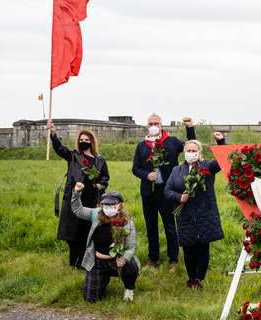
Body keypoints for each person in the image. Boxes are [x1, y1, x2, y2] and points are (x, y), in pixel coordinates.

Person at [132, 114, 196, 271]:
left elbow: (191, 146)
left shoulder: (171, 141)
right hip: (148, 192)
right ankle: (153, 258)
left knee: (170, 226)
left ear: (161, 126)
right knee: (151, 227)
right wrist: (147, 175)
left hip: (167, 191)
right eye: (150, 123)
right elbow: (135, 168)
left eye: (156, 123)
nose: (153, 125)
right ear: (147, 126)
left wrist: (190, 128)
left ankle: (173, 260)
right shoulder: (141, 146)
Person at [164, 133, 226, 289]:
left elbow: (222, 160)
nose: (191, 153)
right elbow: (167, 190)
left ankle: (200, 279)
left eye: (194, 150)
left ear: (199, 152)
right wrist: (179, 197)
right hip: (185, 215)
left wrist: (221, 141)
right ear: (185, 152)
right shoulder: (176, 170)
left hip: (205, 214)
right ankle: (190, 278)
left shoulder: (206, 167)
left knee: (202, 247)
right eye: (188, 150)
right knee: (188, 248)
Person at [47, 121, 110, 268]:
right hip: (75, 197)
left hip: (92, 199)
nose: (83, 142)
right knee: (75, 231)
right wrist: (53, 133)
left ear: (91, 142)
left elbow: (105, 177)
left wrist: (101, 185)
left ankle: (88, 262)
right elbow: (60, 149)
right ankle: (75, 263)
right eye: (81, 140)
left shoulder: (99, 160)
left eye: (86, 140)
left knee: (89, 230)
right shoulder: (73, 156)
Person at [71, 183, 140, 302]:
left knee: (131, 266)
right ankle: (103, 278)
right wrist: (76, 193)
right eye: (105, 205)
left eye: (111, 205)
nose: (107, 208)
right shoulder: (96, 215)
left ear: (119, 206)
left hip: (117, 261)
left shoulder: (127, 224)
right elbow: (78, 210)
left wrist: (124, 259)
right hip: (98, 262)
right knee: (91, 298)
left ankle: (129, 289)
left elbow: (131, 248)